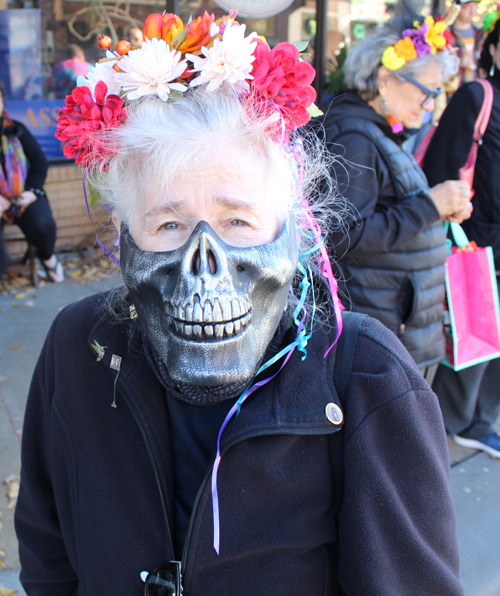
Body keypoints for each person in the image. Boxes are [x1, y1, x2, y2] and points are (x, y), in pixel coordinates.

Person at [15, 14, 463, 596]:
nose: (206, 263)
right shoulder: (80, 347)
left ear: (290, 234)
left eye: (239, 221)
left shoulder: (368, 376)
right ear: (126, 239)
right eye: (169, 223)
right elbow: (48, 550)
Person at [317, 17, 472, 382]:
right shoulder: (355, 136)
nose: (430, 105)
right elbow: (342, 236)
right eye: (426, 90)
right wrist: (429, 206)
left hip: (391, 325)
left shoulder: (369, 131)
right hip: (383, 330)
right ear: (385, 78)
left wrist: (435, 209)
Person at [422, 14, 500, 458]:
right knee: (468, 338)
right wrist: (459, 229)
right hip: (476, 241)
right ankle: (444, 430)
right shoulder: (478, 96)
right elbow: (440, 168)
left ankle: (481, 422)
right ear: (492, 48)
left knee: (494, 343)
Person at [0, 81, 63, 282]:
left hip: (22, 196)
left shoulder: (16, 130)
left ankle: (47, 258)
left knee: (42, 224)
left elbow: (39, 162)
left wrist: (32, 191)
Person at [449, 0, 483, 86]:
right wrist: (458, 63)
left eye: (474, 7)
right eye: (468, 7)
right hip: (454, 90)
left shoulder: (479, 34)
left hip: (475, 89)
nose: (472, 11)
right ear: (457, 8)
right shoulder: (447, 34)